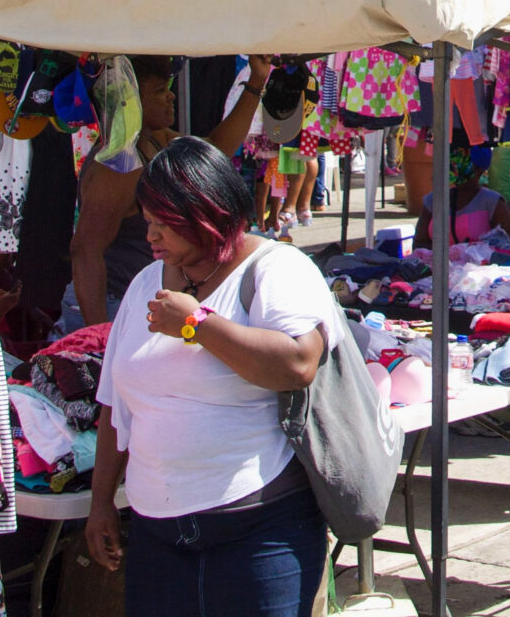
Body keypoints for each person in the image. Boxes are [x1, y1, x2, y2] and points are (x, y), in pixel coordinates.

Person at [86, 137, 342, 616]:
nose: (152, 237)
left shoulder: (277, 269)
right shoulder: (147, 281)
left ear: (207, 215)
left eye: (166, 224)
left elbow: (298, 365)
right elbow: (114, 406)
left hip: (260, 533)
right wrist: (101, 503)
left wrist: (195, 324)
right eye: (149, 223)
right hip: (156, 535)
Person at [64, 54, 272, 333]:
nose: (172, 96)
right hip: (112, 304)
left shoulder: (154, 139)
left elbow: (215, 150)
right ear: (131, 98)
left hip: (139, 299)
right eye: (160, 91)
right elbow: (85, 251)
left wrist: (256, 83)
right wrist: (100, 337)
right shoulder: (119, 166)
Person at [417, 147, 510, 249]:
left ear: (479, 170)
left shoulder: (492, 202)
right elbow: (419, 243)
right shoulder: (433, 200)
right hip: (436, 264)